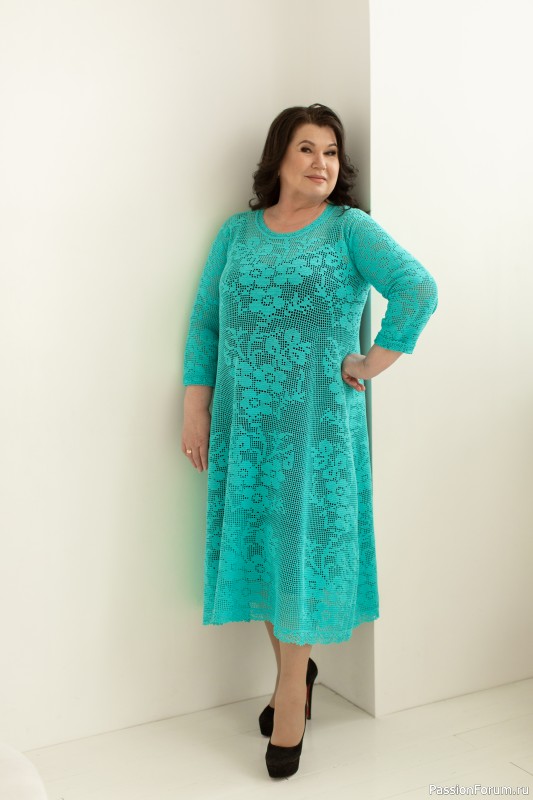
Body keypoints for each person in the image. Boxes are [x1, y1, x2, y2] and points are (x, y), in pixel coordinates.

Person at [181, 103, 438, 778]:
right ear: (278, 157)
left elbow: (417, 289)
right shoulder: (236, 233)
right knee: (269, 554)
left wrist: (370, 363)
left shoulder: (349, 228)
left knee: (300, 554)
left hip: (316, 431)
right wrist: (195, 407)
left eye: (330, 151)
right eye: (306, 148)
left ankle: (291, 692)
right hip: (245, 427)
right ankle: (296, 672)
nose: (321, 162)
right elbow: (205, 323)